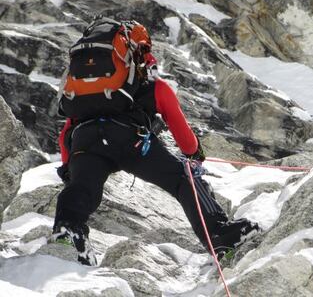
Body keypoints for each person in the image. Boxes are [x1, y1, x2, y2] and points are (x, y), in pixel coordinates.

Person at [52, 18, 260, 266]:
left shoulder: (84, 90)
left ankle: (68, 232)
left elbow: (66, 132)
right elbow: (182, 133)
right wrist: (194, 155)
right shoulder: (150, 85)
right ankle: (220, 236)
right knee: (184, 180)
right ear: (139, 51)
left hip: (84, 142)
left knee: (83, 188)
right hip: (130, 140)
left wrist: (68, 168)